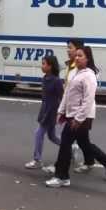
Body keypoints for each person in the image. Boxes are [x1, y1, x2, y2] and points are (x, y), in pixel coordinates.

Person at [45, 46, 106, 188]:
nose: (77, 58)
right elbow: (67, 94)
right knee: (84, 143)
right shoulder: (75, 72)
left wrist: (78, 119)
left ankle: (62, 176)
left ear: (88, 59)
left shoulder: (89, 76)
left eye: (80, 56)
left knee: (66, 143)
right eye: (76, 55)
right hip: (72, 114)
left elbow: (88, 100)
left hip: (81, 117)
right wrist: (61, 111)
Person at [41, 39, 87, 174]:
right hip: (70, 110)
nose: (68, 50)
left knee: (68, 141)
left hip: (77, 113)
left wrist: (78, 117)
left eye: (70, 48)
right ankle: (102, 161)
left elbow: (86, 97)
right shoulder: (71, 67)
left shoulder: (84, 72)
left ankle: (60, 172)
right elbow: (66, 91)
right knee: (81, 141)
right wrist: (61, 110)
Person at [24, 55, 64, 169]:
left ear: (50, 66)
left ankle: (37, 159)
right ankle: (68, 147)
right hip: (45, 110)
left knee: (39, 133)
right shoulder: (45, 78)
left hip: (52, 111)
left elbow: (62, 98)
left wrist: (60, 113)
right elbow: (44, 97)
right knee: (52, 136)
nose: (42, 66)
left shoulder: (57, 81)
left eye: (44, 63)